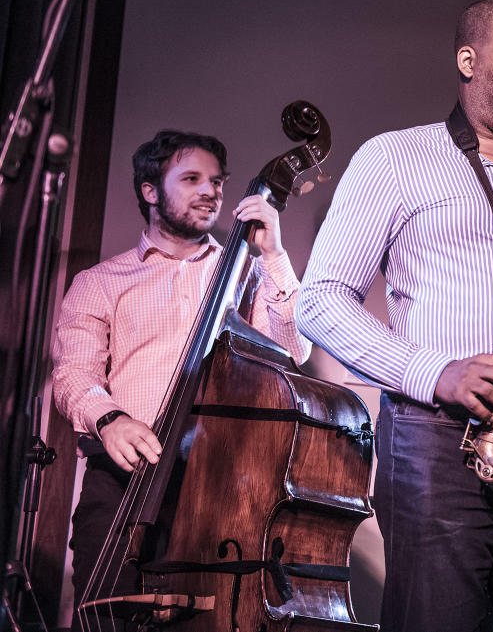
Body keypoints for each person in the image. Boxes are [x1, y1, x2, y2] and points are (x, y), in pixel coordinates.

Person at [296, 0, 493, 632]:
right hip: (435, 438)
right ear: (468, 60)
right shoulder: (394, 158)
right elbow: (320, 300)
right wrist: (437, 372)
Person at [52, 130, 310, 626]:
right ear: (151, 190)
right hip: (122, 479)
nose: (210, 190)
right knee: (108, 614)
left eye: (217, 181)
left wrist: (273, 256)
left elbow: (296, 350)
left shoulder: (244, 273)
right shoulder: (100, 282)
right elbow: (73, 374)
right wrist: (109, 420)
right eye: (191, 178)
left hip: (220, 479)